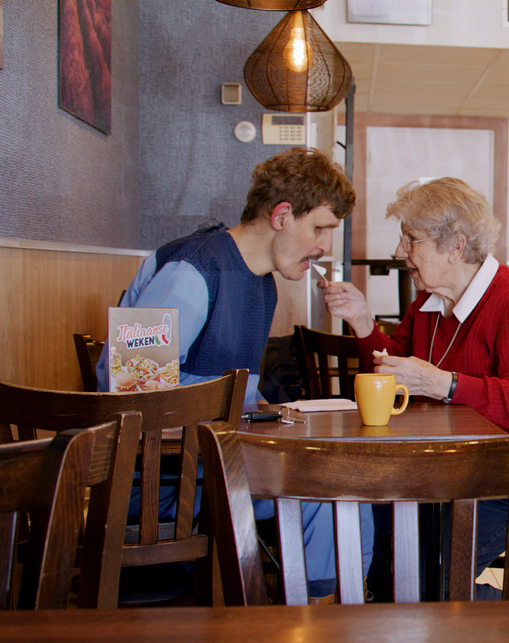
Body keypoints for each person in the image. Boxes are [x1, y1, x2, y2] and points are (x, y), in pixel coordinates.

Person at [100, 146, 367, 602]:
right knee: (330, 490)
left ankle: (331, 617)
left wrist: (268, 409)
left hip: (209, 462)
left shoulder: (261, 282)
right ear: (282, 215)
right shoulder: (192, 268)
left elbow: (228, 387)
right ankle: (328, 623)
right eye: (320, 228)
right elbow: (131, 388)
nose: (326, 245)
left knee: (343, 479)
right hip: (162, 481)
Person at [321, 177, 509, 597]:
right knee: (368, 526)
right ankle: (405, 632)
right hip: (455, 472)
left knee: (423, 575)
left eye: (411, 240)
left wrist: (443, 384)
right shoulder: (428, 303)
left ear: (455, 245)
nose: (401, 252)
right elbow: (393, 371)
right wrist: (363, 321)